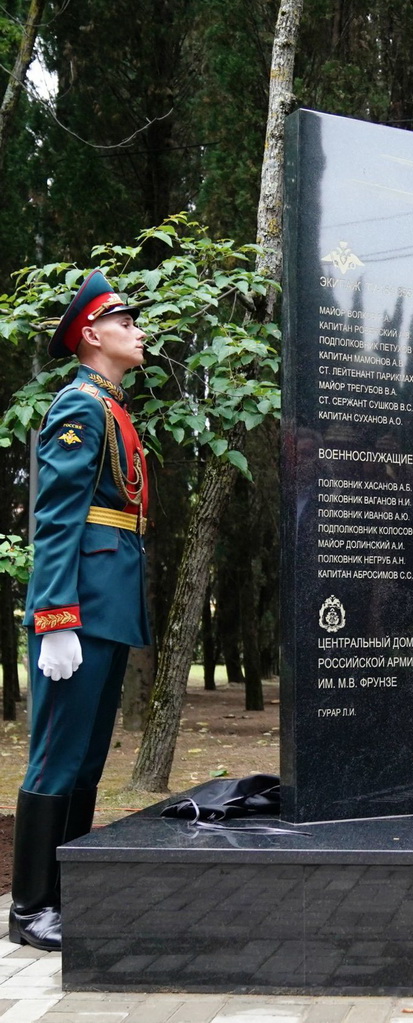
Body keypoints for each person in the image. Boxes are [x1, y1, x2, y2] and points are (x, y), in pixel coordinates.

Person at [9, 270, 151, 950]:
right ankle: (30, 907)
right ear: (92, 333)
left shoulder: (112, 406)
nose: (139, 329)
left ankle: (66, 894)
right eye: (126, 321)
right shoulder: (81, 407)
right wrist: (53, 618)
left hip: (108, 599)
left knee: (88, 759)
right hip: (82, 607)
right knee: (57, 758)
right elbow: (58, 520)